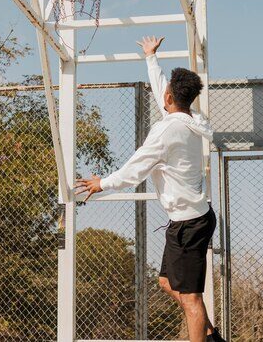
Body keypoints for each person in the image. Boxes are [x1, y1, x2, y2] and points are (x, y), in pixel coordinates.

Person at [75, 36, 226, 342]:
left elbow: (134, 170)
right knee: (167, 282)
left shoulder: (165, 132)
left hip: (189, 223)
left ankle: (207, 336)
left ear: (171, 98)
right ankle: (210, 334)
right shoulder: (191, 118)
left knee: (191, 299)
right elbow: (163, 93)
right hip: (189, 218)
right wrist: (150, 58)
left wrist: (101, 183)